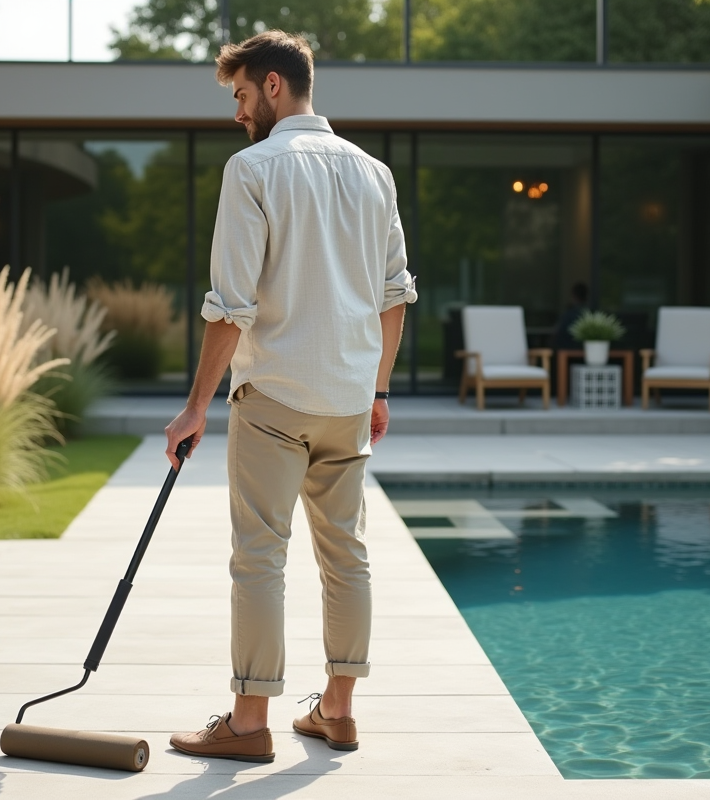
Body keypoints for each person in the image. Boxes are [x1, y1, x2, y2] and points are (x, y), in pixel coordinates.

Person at [162, 30, 417, 763]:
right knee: (348, 556)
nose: (238, 112)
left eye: (241, 95)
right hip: (346, 399)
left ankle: (248, 726)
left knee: (259, 557)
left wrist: (195, 407)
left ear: (274, 86)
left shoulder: (253, 169)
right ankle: (336, 712)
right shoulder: (375, 174)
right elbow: (395, 297)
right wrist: (378, 389)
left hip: (274, 398)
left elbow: (230, 305)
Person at [553, 281, 589, 351]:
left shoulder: (570, 314)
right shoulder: (589, 313)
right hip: (580, 351)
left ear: (573, 295)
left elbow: (557, 332)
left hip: (567, 350)